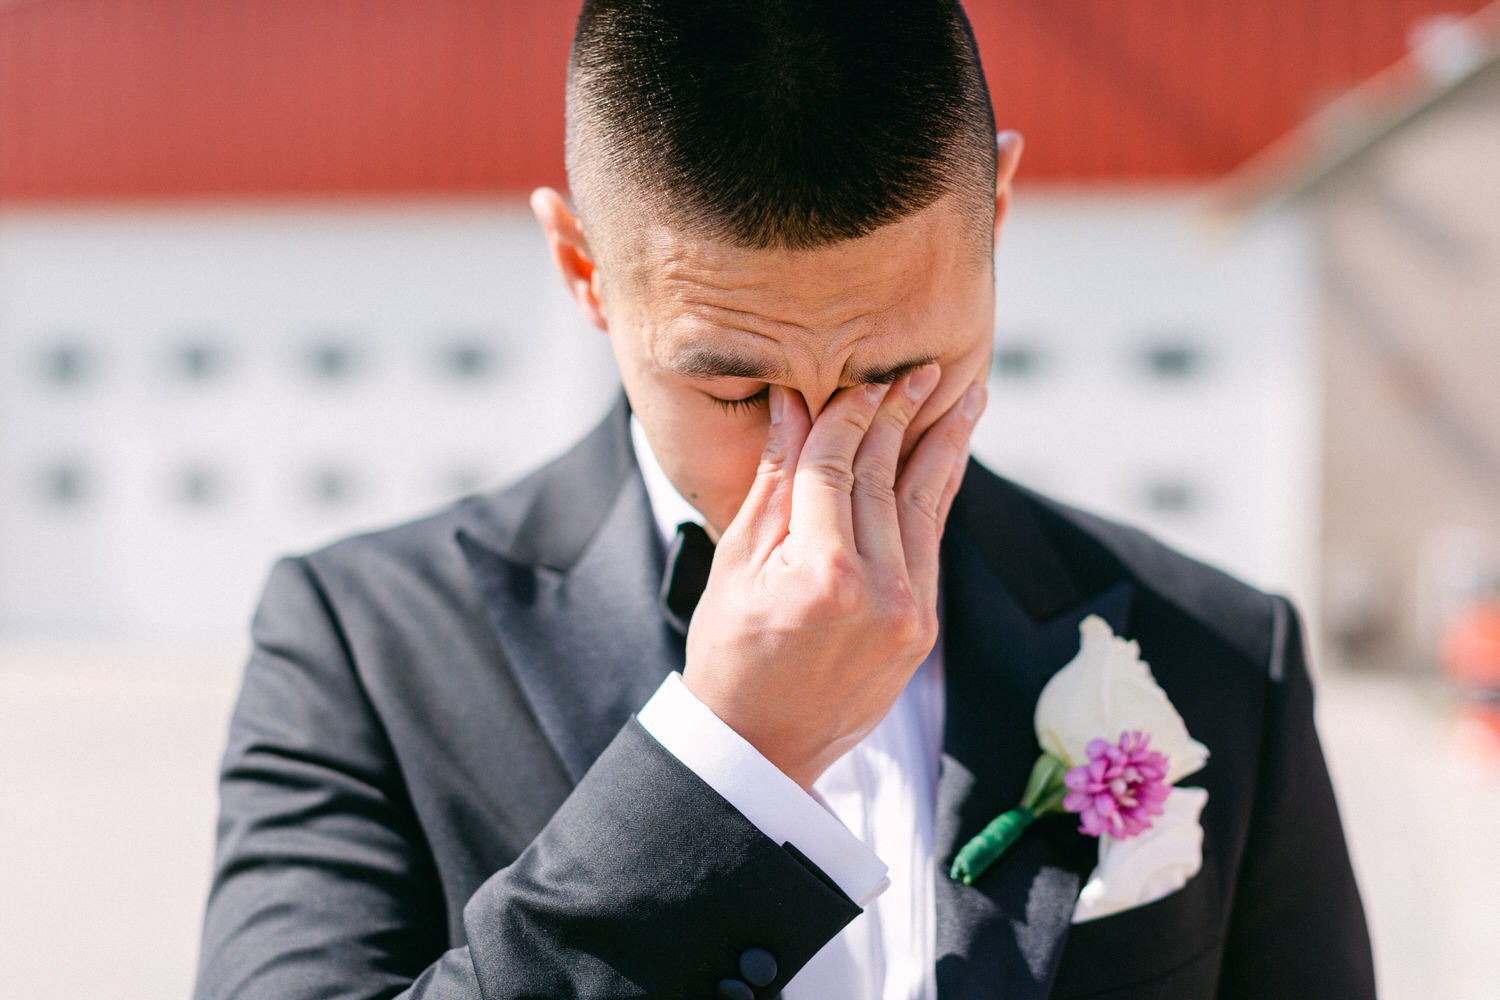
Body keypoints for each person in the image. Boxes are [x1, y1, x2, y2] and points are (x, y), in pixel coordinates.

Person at [193, 2, 1375, 998]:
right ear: (583, 271)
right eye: (740, 390)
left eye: (895, 378)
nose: (821, 470)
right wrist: (725, 768)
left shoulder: (1221, 650)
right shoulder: (361, 643)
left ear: (999, 214)